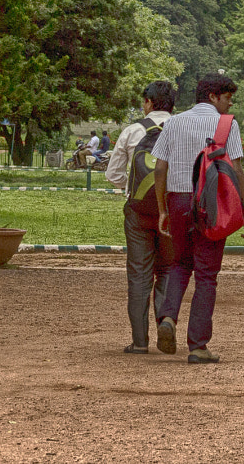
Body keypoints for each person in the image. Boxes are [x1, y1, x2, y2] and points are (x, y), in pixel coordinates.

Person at [151, 74, 244, 362]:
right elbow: (236, 170)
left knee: (180, 264)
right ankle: (197, 345)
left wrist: (162, 209)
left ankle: (167, 318)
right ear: (212, 96)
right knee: (207, 275)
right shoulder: (226, 124)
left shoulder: (173, 122)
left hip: (178, 199)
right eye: (227, 97)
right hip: (210, 205)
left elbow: (160, 168)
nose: (229, 103)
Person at [105, 80, 175, 354]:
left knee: (138, 276)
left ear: (148, 102)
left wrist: (132, 189)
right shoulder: (181, 129)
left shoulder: (132, 131)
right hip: (170, 212)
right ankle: (166, 323)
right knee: (169, 270)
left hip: (138, 213)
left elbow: (113, 175)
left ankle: (139, 342)